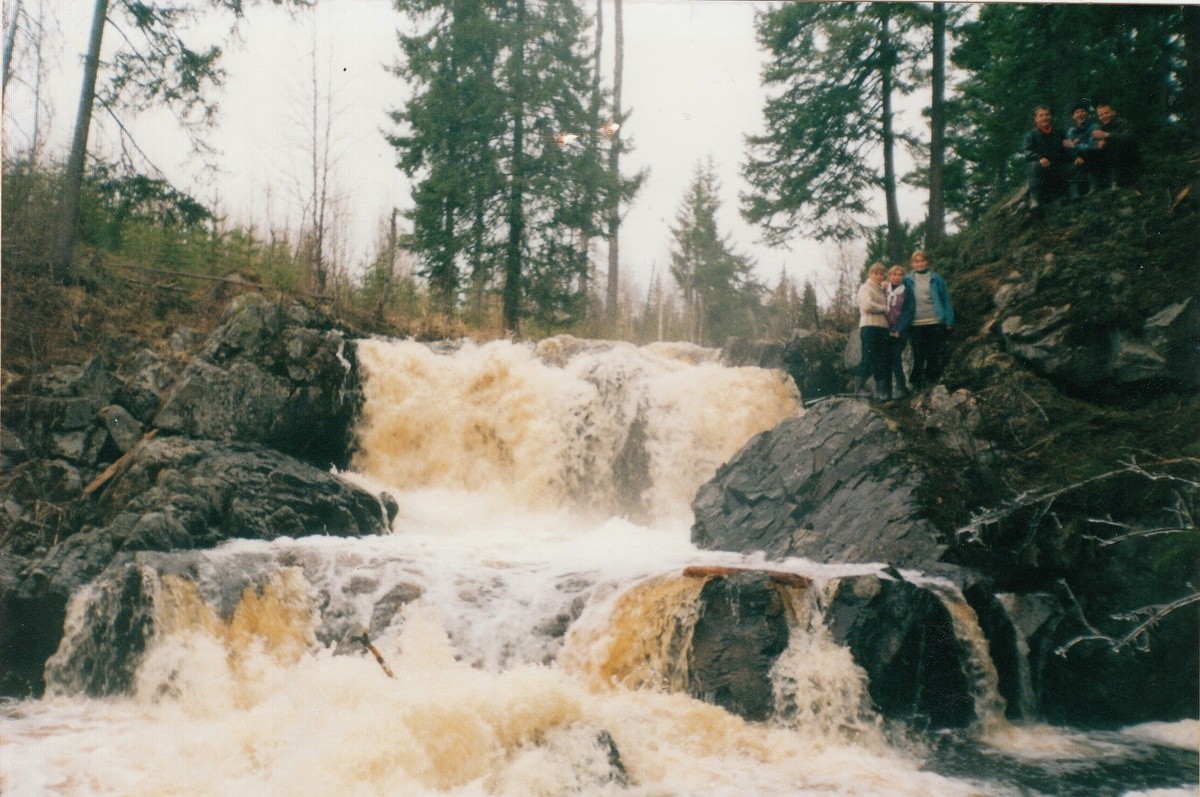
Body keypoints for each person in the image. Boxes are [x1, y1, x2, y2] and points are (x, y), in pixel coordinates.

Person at [906, 250, 954, 391]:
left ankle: (929, 380)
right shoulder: (907, 280)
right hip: (915, 323)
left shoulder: (936, 279)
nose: (920, 264)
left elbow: (946, 299)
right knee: (918, 354)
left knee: (933, 353)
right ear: (912, 263)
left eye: (922, 261)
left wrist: (949, 320)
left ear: (927, 262)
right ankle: (916, 382)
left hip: (934, 321)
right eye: (917, 261)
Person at [855, 262, 890, 400]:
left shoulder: (881, 290)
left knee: (882, 359)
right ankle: (858, 389)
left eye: (881, 273)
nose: (879, 276)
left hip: (882, 328)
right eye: (876, 273)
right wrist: (884, 308)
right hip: (869, 327)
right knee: (868, 357)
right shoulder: (865, 287)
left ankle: (881, 392)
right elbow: (867, 305)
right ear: (870, 274)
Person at [1024, 106, 1070, 210]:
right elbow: (1027, 152)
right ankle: (1035, 199)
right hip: (1043, 168)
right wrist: (1040, 158)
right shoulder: (1032, 135)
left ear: (1051, 117)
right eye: (1041, 115)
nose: (1045, 117)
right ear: (1036, 119)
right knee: (1034, 166)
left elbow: (1068, 147)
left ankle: (1063, 196)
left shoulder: (1059, 132)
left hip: (1059, 166)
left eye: (1047, 114)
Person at [884, 264, 915, 399]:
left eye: (900, 275)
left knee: (896, 358)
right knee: (885, 360)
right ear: (889, 276)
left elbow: (909, 312)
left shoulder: (907, 291)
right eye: (894, 275)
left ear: (903, 276)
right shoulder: (884, 290)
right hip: (884, 330)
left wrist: (899, 329)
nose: (896, 277)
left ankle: (901, 389)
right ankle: (886, 392)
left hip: (899, 331)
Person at [1092, 103, 1141, 188]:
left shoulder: (1124, 123)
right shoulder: (1101, 128)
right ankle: (1096, 186)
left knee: (1117, 148)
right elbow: (1094, 145)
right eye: (1101, 115)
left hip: (1129, 160)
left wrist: (1107, 136)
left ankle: (1117, 182)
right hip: (1111, 162)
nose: (1104, 116)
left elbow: (1127, 139)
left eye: (1106, 113)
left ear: (1113, 112)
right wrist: (1098, 145)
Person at [1063, 102, 1100, 200]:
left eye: (1082, 111)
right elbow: (1070, 148)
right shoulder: (1071, 131)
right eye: (1077, 112)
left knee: (1089, 154)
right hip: (1081, 158)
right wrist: (1076, 156)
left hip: (1095, 156)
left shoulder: (1094, 127)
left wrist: (1076, 145)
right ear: (1073, 117)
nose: (1080, 114)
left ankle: (1094, 186)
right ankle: (1075, 194)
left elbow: (1092, 146)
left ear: (1087, 114)